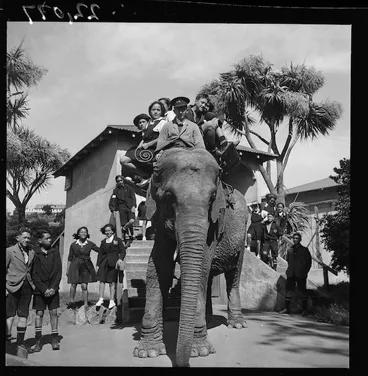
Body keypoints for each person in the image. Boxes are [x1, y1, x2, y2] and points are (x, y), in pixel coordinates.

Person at [30, 230, 62, 352]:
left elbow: (58, 272)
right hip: (40, 290)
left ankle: (54, 339)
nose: (50, 240)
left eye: (50, 238)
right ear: (40, 240)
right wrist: (44, 289)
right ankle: (38, 341)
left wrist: (53, 288)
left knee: (54, 312)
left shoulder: (55, 252)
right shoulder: (35, 253)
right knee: (39, 314)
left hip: (53, 289)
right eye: (47, 238)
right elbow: (34, 274)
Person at [6, 227, 35, 354]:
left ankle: (20, 343)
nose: (27, 240)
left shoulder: (32, 252)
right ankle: (7, 343)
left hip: (27, 287)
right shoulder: (9, 251)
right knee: (9, 315)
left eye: (28, 238)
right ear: (18, 238)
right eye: (24, 237)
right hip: (11, 286)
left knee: (23, 315)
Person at [279, 232, 312, 316]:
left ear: (300, 240)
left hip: (301, 274)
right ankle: (286, 308)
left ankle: (305, 310)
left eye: (297, 238)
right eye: (294, 238)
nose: (295, 240)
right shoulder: (290, 250)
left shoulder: (304, 250)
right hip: (291, 273)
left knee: (302, 291)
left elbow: (309, 262)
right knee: (288, 291)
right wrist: (288, 271)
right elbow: (288, 261)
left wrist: (305, 271)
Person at [66, 227, 100, 308]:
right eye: (81, 232)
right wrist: (67, 269)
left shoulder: (90, 244)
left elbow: (101, 251)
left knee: (84, 285)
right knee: (73, 284)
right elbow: (69, 258)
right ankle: (71, 302)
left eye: (85, 232)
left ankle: (85, 304)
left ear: (87, 234)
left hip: (86, 265)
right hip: (75, 265)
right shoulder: (73, 245)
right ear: (78, 234)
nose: (83, 233)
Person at [96, 224, 127, 309]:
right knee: (102, 280)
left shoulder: (118, 240)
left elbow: (123, 251)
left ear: (112, 231)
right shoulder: (103, 242)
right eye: (106, 231)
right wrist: (98, 265)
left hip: (114, 262)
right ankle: (101, 298)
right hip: (104, 262)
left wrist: (120, 259)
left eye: (109, 230)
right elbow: (100, 254)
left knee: (112, 281)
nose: (108, 232)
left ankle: (112, 300)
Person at [120, 113, 152, 186]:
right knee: (124, 160)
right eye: (139, 123)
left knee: (125, 158)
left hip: (149, 151)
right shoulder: (138, 135)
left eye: (143, 122)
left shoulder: (152, 131)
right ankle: (142, 176)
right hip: (140, 152)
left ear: (148, 122)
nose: (141, 124)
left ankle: (145, 176)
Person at [109, 175, 136, 240]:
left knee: (131, 221)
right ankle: (128, 237)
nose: (120, 182)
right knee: (123, 223)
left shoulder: (128, 188)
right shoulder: (115, 191)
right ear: (117, 182)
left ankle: (124, 230)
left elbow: (133, 197)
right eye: (118, 181)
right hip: (121, 208)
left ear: (123, 180)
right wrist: (113, 210)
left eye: (121, 180)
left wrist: (134, 206)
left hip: (129, 207)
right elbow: (112, 200)